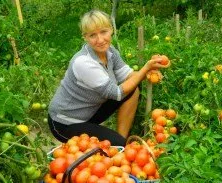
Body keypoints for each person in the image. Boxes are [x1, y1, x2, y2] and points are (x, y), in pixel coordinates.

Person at [48, 9, 169, 146]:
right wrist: (145, 69)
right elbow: (117, 94)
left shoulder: (110, 51)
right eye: (93, 35)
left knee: (133, 88)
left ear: (111, 29)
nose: (100, 40)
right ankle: (120, 145)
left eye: (103, 32)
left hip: (89, 112)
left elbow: (128, 75)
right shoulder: (83, 62)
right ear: (85, 37)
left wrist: (150, 71)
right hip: (65, 122)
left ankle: (120, 142)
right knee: (112, 144)